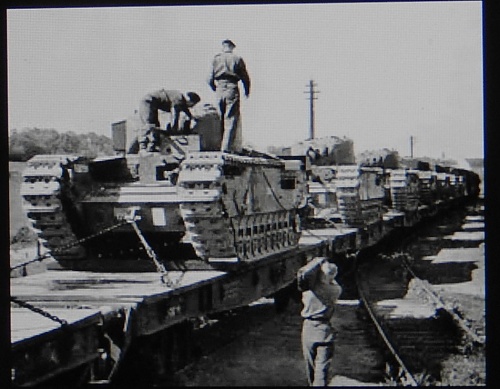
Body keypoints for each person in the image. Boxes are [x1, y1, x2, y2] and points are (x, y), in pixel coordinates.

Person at [300, 258, 342, 386]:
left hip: (308, 329)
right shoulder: (336, 290)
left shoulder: (309, 290)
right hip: (324, 331)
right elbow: (331, 281)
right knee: (321, 372)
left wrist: (318, 261)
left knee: (310, 368)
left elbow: (302, 273)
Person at [208, 39, 251, 153]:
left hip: (219, 88)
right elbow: (245, 77)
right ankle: (226, 148)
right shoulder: (237, 59)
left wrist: (215, 88)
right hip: (231, 87)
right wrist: (247, 90)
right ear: (232, 47)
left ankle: (217, 145)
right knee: (230, 118)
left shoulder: (216, 59)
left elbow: (209, 79)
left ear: (223, 47)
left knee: (219, 118)